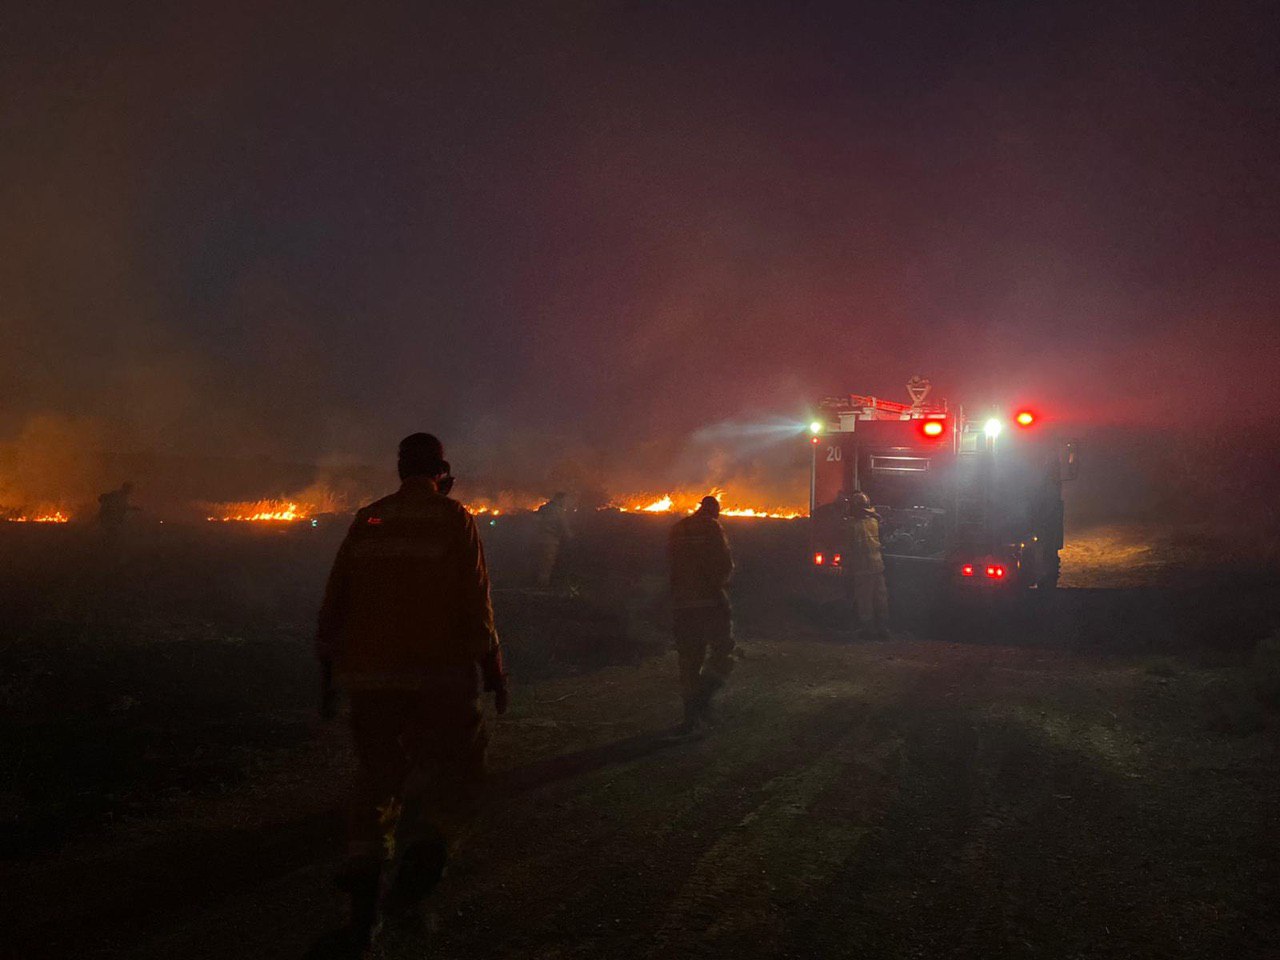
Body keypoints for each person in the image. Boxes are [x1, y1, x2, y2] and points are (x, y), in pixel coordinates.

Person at [316, 433, 508, 955]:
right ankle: (420, 869)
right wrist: (494, 671)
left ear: (401, 471)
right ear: (442, 471)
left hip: (370, 677)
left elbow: (335, 602)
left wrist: (328, 678)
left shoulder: (369, 518)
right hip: (437, 675)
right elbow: (476, 602)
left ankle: (364, 879)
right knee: (459, 771)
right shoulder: (453, 517)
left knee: (377, 778)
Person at [668, 495, 734, 733]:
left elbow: (669, 565)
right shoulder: (712, 528)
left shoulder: (678, 528)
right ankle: (703, 699)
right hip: (709, 604)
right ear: (715, 511)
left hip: (682, 605)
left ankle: (690, 718)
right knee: (723, 651)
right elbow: (724, 565)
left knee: (688, 661)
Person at [845, 491, 890, 639]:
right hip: (878, 566)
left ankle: (868, 630)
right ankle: (883, 629)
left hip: (863, 568)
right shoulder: (874, 522)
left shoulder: (851, 525)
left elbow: (847, 546)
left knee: (865, 600)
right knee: (880, 598)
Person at [532, 491, 571, 588]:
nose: (566, 503)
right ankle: (542, 587)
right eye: (565, 500)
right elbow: (564, 526)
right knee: (546, 565)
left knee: (538, 563)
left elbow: (534, 521)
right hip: (550, 542)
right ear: (560, 499)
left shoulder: (543, 508)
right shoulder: (559, 511)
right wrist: (571, 537)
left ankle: (533, 584)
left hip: (537, 540)